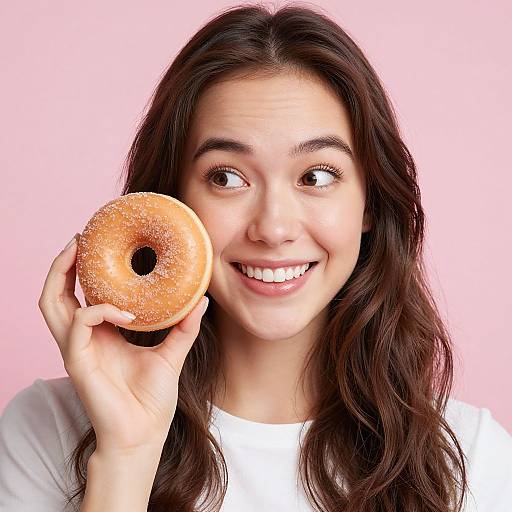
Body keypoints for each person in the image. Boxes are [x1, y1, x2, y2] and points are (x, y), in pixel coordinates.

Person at [1, 3, 511, 512]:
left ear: (369, 204)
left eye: (316, 176)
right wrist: (127, 455)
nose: (273, 228)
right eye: (226, 177)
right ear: (173, 203)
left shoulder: (471, 460)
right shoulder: (47, 429)